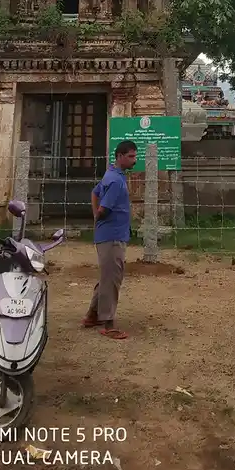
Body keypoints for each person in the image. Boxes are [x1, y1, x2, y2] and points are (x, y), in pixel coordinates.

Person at [81, 141, 137, 340]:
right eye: (131, 156)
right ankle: (108, 323)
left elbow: (94, 193)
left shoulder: (111, 175)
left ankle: (92, 315)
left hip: (110, 234)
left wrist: (96, 215)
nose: (134, 160)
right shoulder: (116, 181)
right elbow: (104, 208)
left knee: (107, 276)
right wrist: (99, 215)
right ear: (120, 156)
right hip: (112, 236)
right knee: (112, 279)